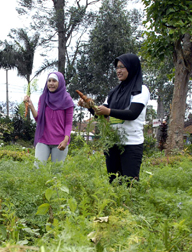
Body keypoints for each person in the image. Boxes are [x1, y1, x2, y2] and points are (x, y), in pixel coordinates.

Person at [79, 53, 150, 183]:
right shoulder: (114, 92)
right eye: (117, 67)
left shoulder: (140, 90)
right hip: (112, 143)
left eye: (122, 67)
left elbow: (132, 114)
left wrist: (109, 111)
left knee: (129, 184)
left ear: (132, 67)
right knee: (113, 182)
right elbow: (102, 114)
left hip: (131, 144)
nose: (118, 70)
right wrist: (89, 106)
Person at [24, 72, 74, 165]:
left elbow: (68, 123)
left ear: (60, 83)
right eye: (49, 81)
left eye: (54, 81)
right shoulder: (43, 98)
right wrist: (30, 106)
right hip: (43, 138)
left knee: (56, 171)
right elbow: (39, 120)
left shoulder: (67, 99)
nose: (51, 83)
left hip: (60, 141)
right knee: (38, 168)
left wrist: (65, 140)